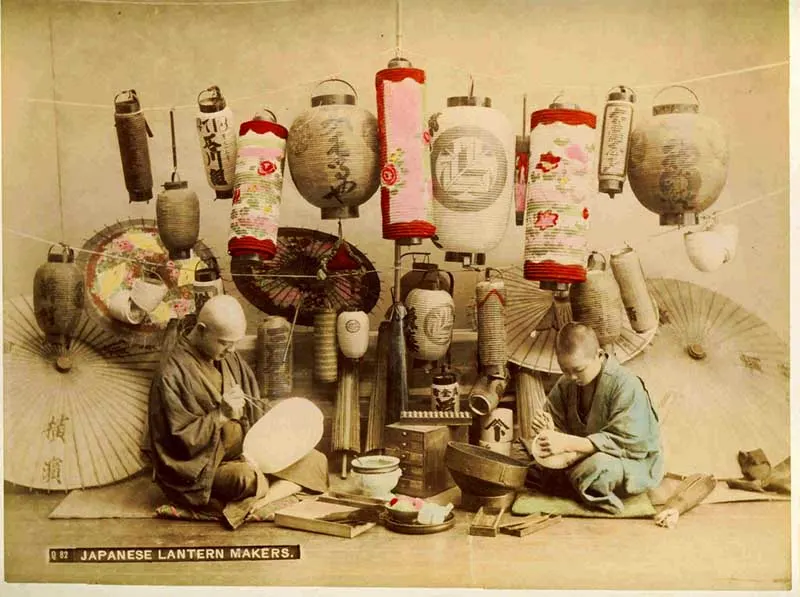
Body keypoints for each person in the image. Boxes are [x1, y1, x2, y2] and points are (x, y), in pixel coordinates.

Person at [148, 295, 328, 529]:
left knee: (317, 460)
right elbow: (178, 441)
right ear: (202, 330)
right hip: (206, 466)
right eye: (225, 342)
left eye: (234, 343)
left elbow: (254, 403)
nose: (231, 349)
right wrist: (221, 415)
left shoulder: (228, 356)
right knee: (244, 479)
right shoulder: (170, 373)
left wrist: (276, 417)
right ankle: (266, 491)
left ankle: (264, 498)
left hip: (247, 452)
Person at [528, 322, 664, 514]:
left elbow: (630, 442)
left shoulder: (626, 384)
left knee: (599, 469)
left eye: (578, 369)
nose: (572, 376)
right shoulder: (566, 382)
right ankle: (575, 485)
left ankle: (572, 484)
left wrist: (567, 443)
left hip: (625, 459)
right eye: (565, 370)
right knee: (529, 463)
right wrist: (549, 430)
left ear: (599, 355)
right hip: (575, 455)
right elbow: (555, 425)